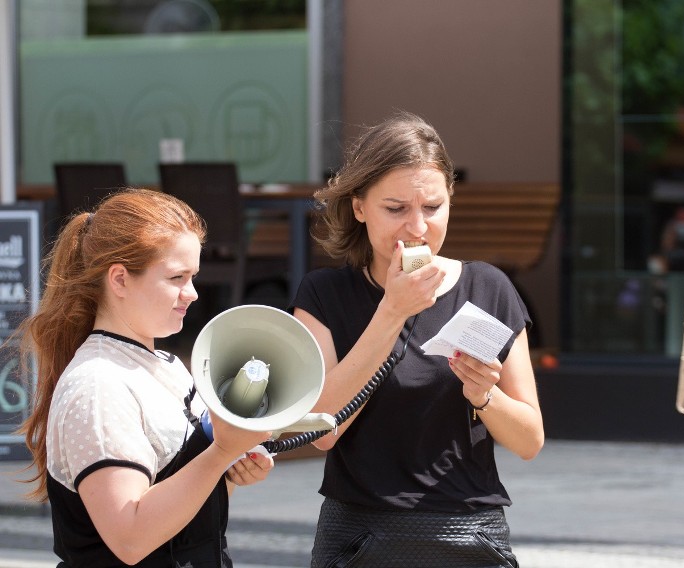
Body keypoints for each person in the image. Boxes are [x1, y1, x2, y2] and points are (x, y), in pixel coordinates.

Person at [290, 112, 545, 567]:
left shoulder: (487, 288)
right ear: (359, 207)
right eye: (396, 209)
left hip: (468, 534)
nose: (417, 227)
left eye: (432, 208)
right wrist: (391, 311)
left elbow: (529, 441)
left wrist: (484, 396)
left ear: (451, 201)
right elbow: (320, 431)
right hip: (361, 537)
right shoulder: (324, 294)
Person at [15, 188, 274, 567]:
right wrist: (220, 453)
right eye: (177, 277)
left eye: (193, 276)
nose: (193, 293)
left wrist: (232, 466)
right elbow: (131, 538)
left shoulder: (165, 364)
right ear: (119, 279)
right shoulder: (98, 384)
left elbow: (185, 514)